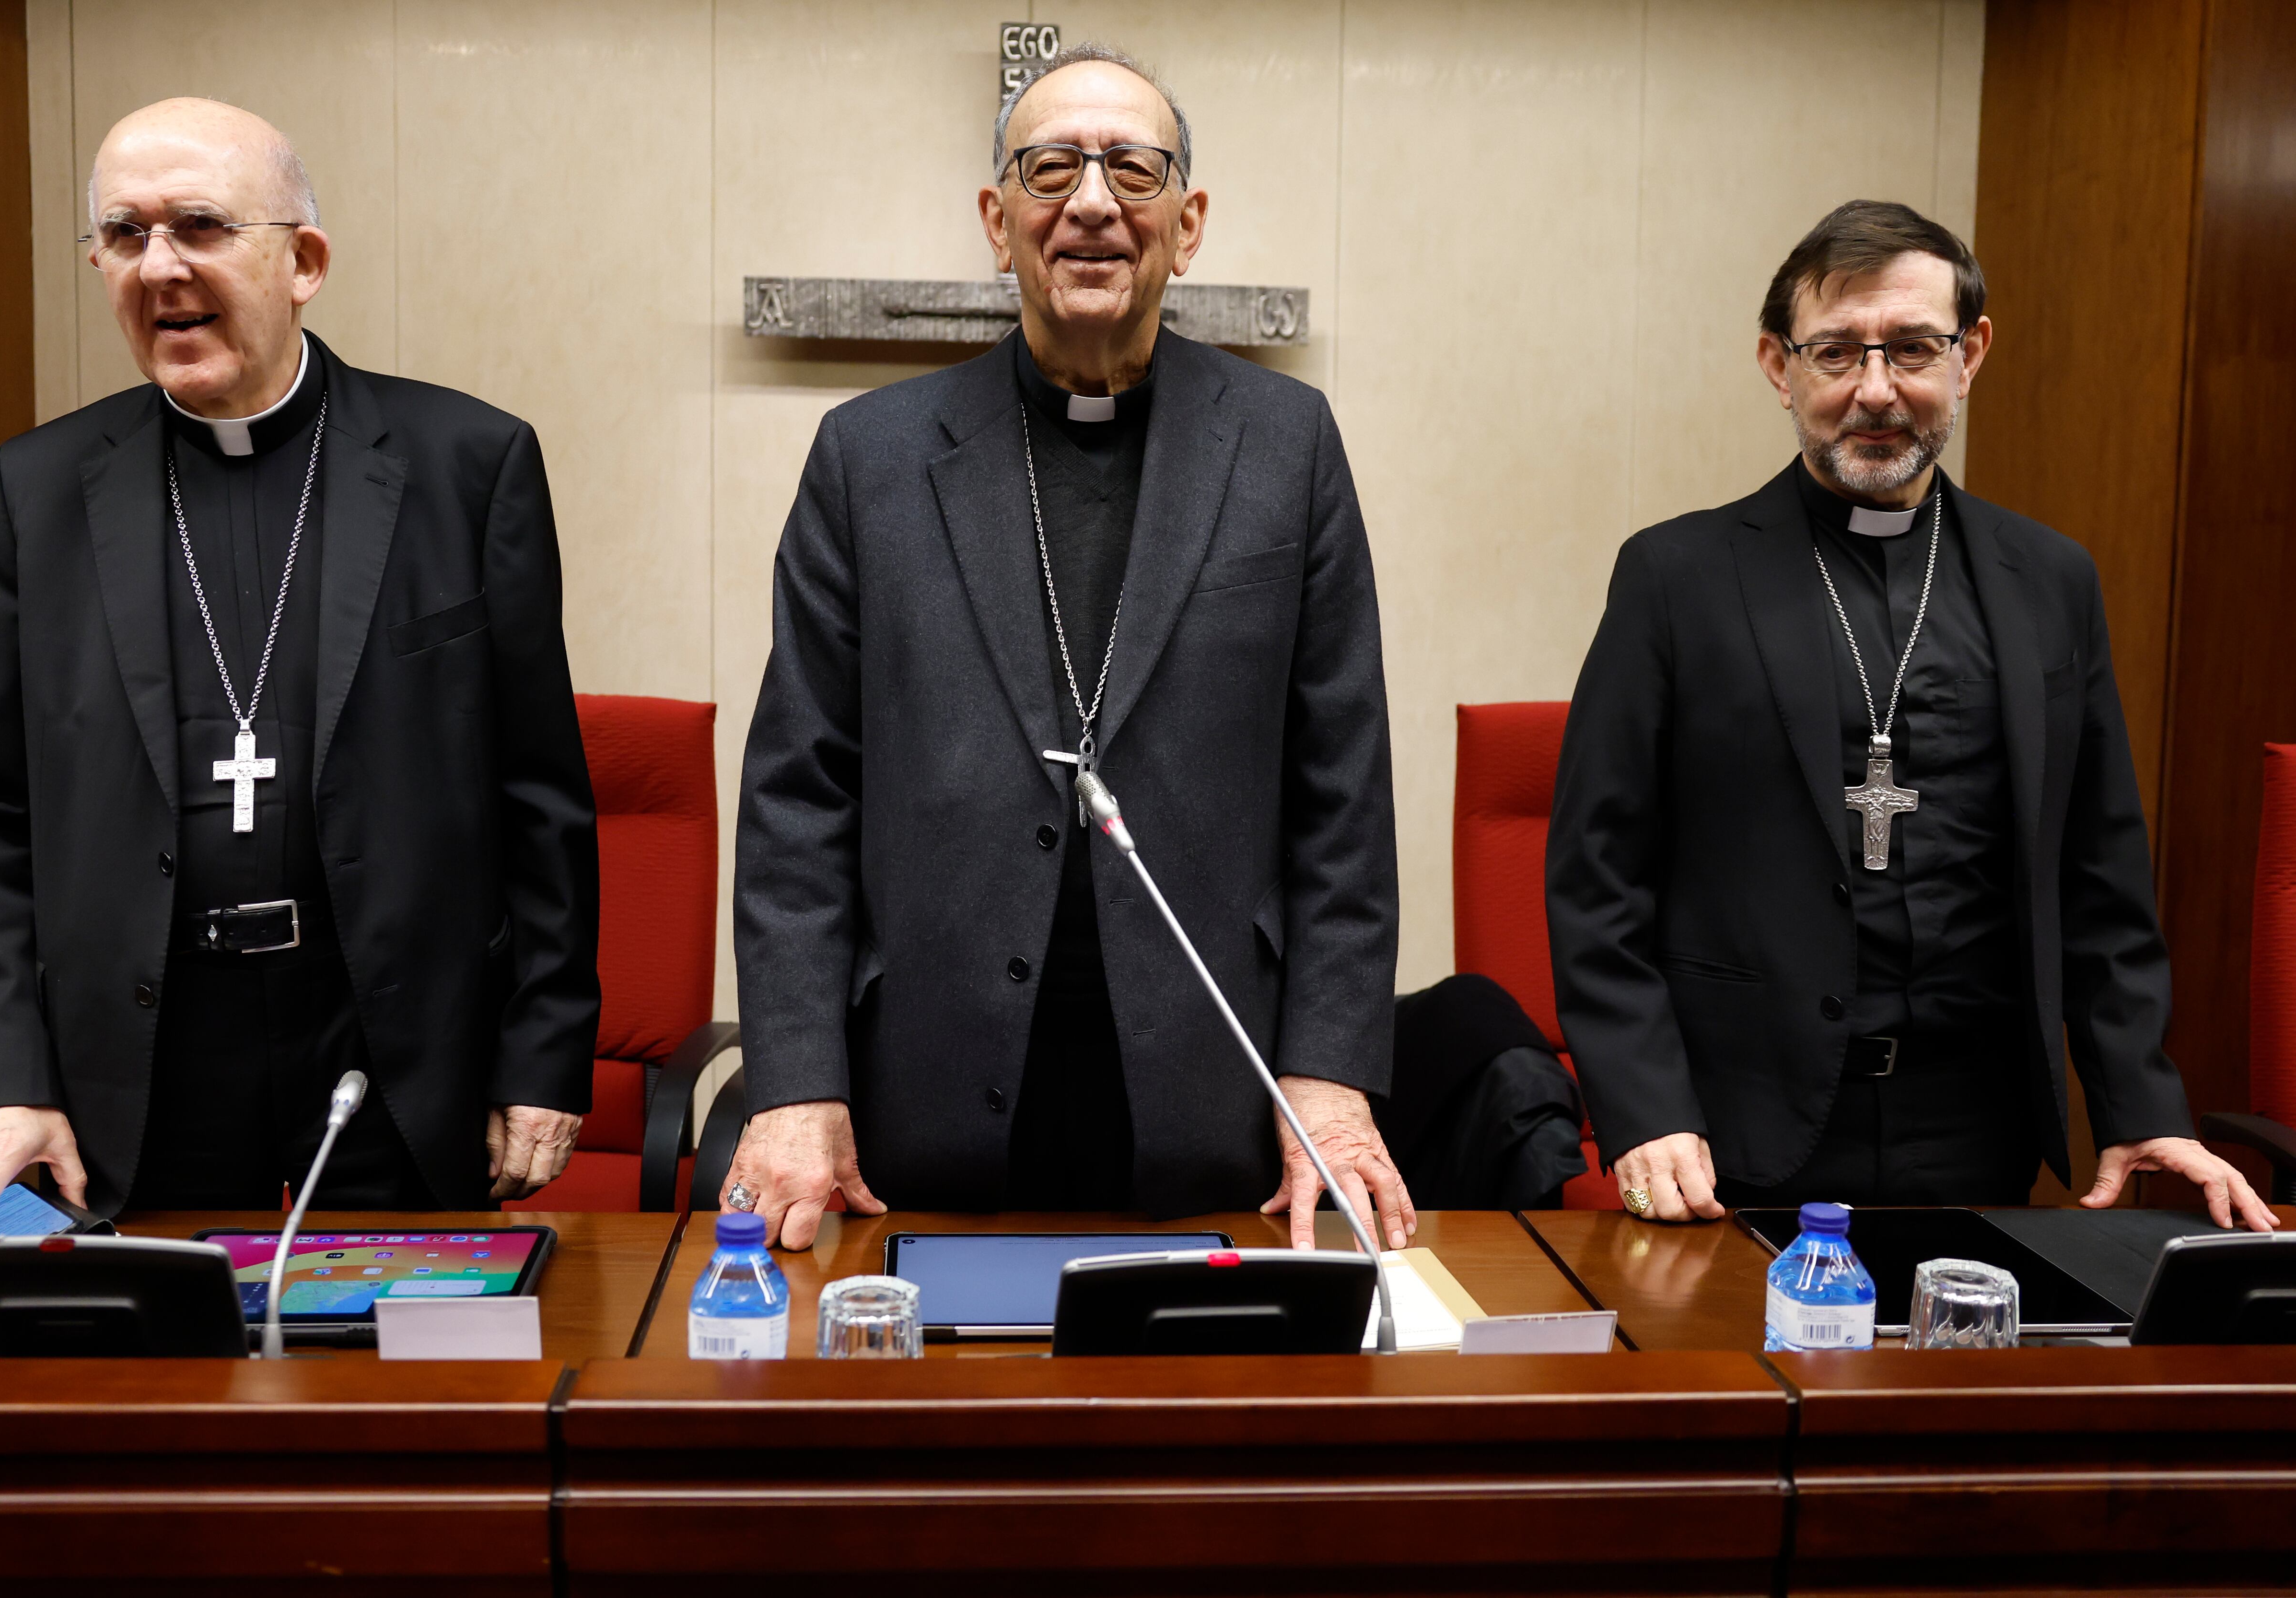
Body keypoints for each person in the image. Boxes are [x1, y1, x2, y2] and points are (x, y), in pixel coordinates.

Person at [728, 45, 1411, 1250]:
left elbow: (1341, 797)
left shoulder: (1286, 444)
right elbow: (800, 797)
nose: (1092, 202)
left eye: (1132, 170)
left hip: (1215, 1101)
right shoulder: (868, 458)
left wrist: (1329, 1073)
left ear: (1186, 225)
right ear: (998, 222)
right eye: (1052, 169)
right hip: (926, 1094)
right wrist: (793, 1082)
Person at [0, 98, 598, 1238]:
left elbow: (540, 795)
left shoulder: (467, 465)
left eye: (199, 226)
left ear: (304, 262)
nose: (158, 265)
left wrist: (543, 1048)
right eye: (124, 236)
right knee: (154, 1401)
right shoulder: (35, 491)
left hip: (393, 1049)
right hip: (137, 1062)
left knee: (407, 1398)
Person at [1547, 199, 2276, 1233]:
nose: (1875, 390)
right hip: (1735, 1131)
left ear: (1969, 355)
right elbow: (1596, 874)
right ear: (1776, 363)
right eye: (1836, 352)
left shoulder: (2050, 580)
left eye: (1912, 349)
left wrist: (2136, 1101)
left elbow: (2099, 877)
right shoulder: (1677, 575)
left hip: (1976, 1131)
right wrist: (1645, 1106)